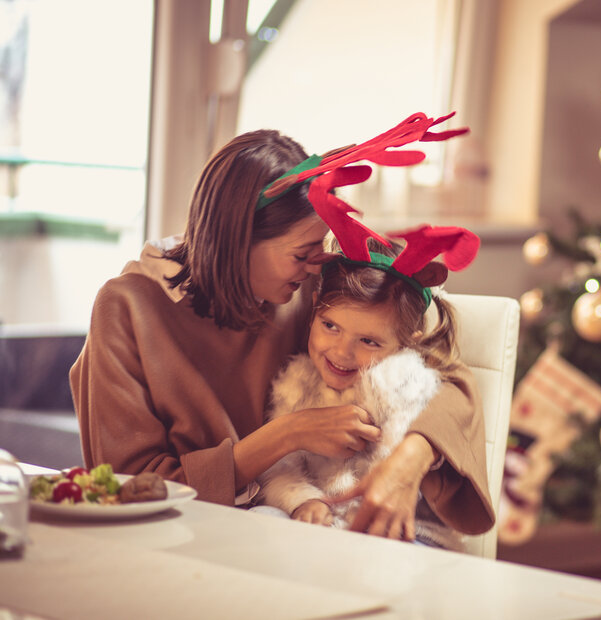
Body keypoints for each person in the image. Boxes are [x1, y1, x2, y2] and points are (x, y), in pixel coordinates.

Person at [69, 113, 495, 540]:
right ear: (237, 241)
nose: (317, 265)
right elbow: (130, 485)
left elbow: (447, 379)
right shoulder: (128, 308)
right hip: (181, 543)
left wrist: (408, 461)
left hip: (307, 535)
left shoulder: (308, 292)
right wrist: (288, 433)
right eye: (302, 252)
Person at [256, 234, 476, 549]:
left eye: (369, 341)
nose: (341, 353)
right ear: (314, 308)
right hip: (321, 520)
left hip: (399, 526)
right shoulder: (297, 381)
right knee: (265, 518)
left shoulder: (404, 385)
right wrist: (303, 501)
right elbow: (281, 467)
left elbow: (391, 471)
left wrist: (345, 525)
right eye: (330, 326)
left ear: (405, 344)